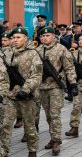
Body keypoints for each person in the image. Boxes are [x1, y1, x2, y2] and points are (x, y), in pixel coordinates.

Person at [0, 27, 43, 157]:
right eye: (13, 38)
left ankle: (32, 151)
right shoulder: (6, 54)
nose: (15, 40)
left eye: (18, 37)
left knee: (30, 126)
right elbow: (2, 76)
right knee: (5, 126)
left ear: (25, 38)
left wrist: (26, 89)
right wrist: (2, 92)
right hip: (10, 96)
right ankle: (3, 152)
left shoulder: (33, 53)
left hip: (27, 97)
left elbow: (36, 75)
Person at [37, 26, 77, 155]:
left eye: (47, 35)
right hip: (42, 87)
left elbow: (69, 68)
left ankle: (56, 141)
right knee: (48, 116)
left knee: (54, 114)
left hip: (56, 87)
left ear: (54, 36)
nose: (44, 38)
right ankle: (52, 137)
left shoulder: (61, 49)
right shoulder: (37, 50)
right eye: (42, 36)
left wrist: (73, 84)